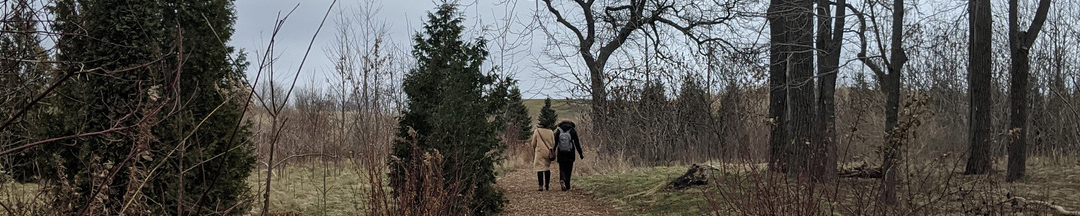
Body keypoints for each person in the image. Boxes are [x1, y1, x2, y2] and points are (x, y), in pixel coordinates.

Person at [554, 120, 583, 191]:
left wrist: (553, 151)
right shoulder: (572, 130)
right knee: (569, 169)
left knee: (562, 167)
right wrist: (580, 153)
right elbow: (577, 143)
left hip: (561, 152)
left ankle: (562, 179)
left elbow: (555, 142)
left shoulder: (559, 131)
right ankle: (567, 185)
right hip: (570, 152)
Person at [530, 119, 556, 191]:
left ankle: (540, 186)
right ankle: (547, 185)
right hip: (548, 152)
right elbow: (553, 143)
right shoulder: (550, 132)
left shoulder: (537, 131)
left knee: (539, 168)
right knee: (547, 168)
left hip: (539, 152)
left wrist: (534, 149)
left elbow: (533, 143)